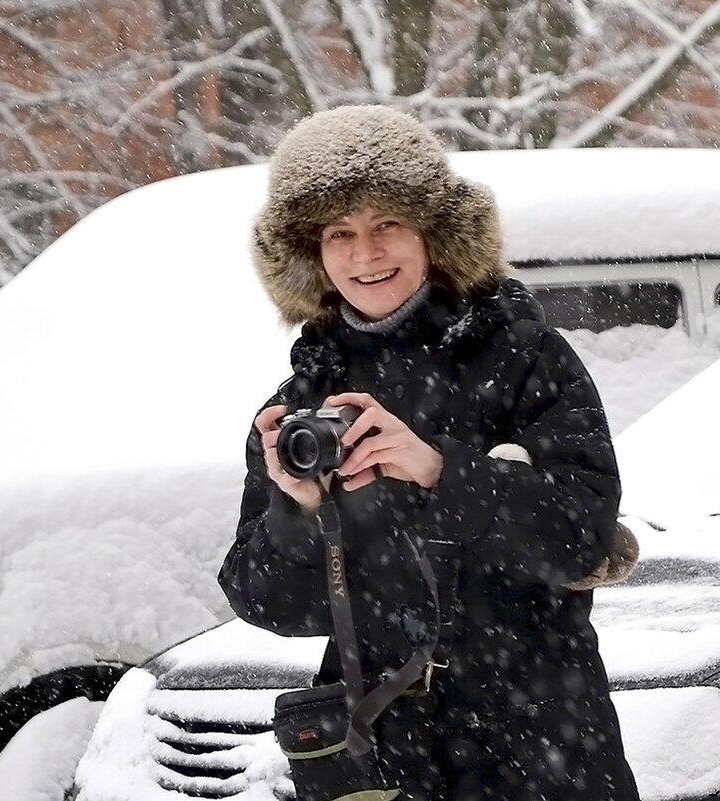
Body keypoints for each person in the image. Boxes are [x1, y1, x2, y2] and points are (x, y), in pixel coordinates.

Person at [219, 104, 639, 801]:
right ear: (311, 255)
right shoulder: (302, 405)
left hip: (541, 747)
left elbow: (581, 538)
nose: (365, 254)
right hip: (383, 758)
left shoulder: (526, 357)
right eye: (339, 233)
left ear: (433, 233)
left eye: (388, 224)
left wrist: (441, 471)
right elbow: (269, 605)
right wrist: (297, 514)